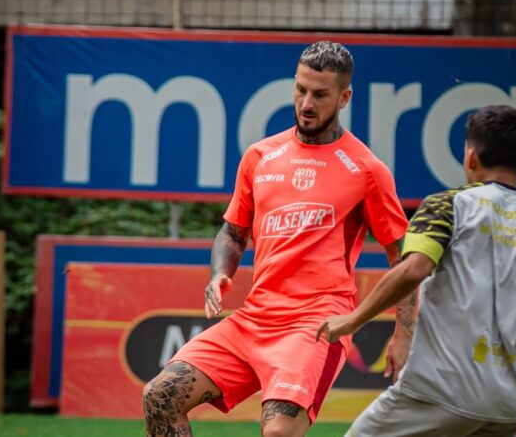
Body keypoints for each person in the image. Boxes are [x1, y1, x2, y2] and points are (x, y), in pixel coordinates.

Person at [142, 41, 410, 437]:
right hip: (253, 319)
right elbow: (232, 232)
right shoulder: (260, 156)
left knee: (279, 432)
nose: (306, 102)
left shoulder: (367, 169)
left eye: (320, 94)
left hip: (316, 324)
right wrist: (219, 273)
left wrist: (404, 333)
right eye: (300, 89)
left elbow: (403, 258)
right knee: (160, 396)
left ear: (344, 97)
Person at [317, 105, 516, 437]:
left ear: (470, 157)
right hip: (507, 404)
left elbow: (414, 269)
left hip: (438, 390)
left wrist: (352, 319)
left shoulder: (447, 206)